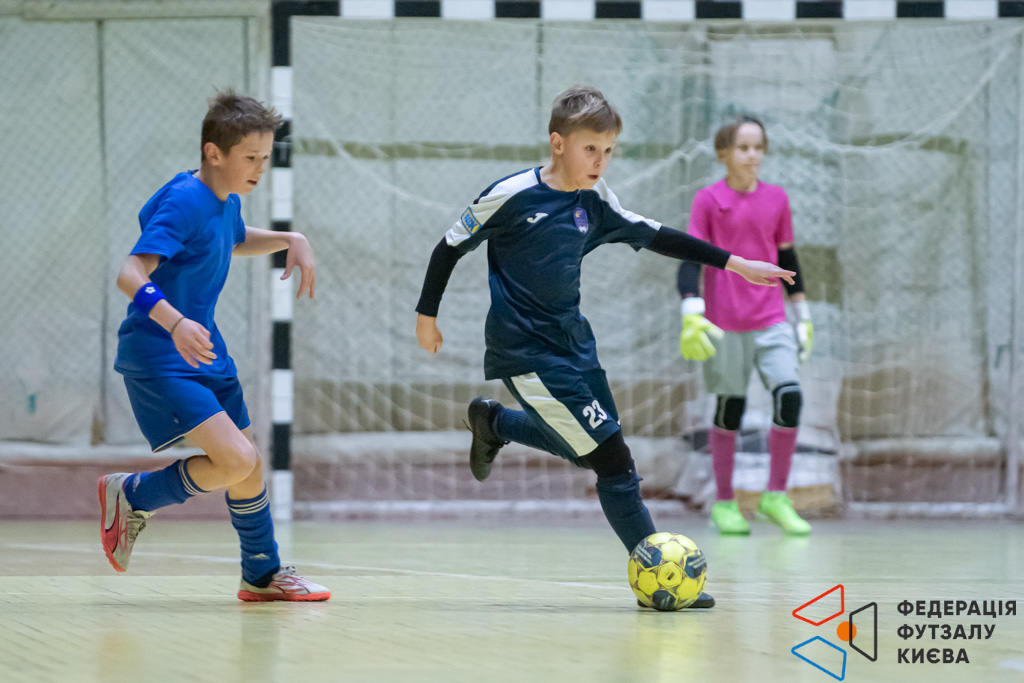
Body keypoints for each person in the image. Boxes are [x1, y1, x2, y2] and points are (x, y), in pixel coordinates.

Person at [414, 87, 794, 609]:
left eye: (609, 151)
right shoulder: (512, 194)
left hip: (575, 346)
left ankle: (495, 423)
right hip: (525, 353)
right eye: (590, 149)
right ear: (558, 144)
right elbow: (449, 246)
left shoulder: (594, 202)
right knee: (613, 461)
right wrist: (427, 317)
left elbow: (655, 234)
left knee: (594, 448)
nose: (600, 161)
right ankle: (659, 576)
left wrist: (737, 264)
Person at [98, 91, 330, 602]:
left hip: (204, 351)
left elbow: (232, 237)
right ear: (214, 153)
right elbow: (130, 273)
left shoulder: (224, 200)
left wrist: (290, 238)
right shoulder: (185, 199)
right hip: (161, 354)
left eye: (265, 157)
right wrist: (176, 322)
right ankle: (133, 494)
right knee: (235, 460)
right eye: (251, 157)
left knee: (248, 465)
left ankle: (261, 575)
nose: (260, 168)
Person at [677, 115, 813, 537]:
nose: (753, 155)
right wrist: (691, 309)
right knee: (730, 410)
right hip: (725, 324)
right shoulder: (708, 201)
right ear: (724, 154)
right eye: (743, 147)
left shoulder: (777, 198)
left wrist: (803, 315)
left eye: (758, 147)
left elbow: (787, 258)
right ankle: (724, 502)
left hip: (772, 318)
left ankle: (776, 496)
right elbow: (690, 256)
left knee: (789, 396)